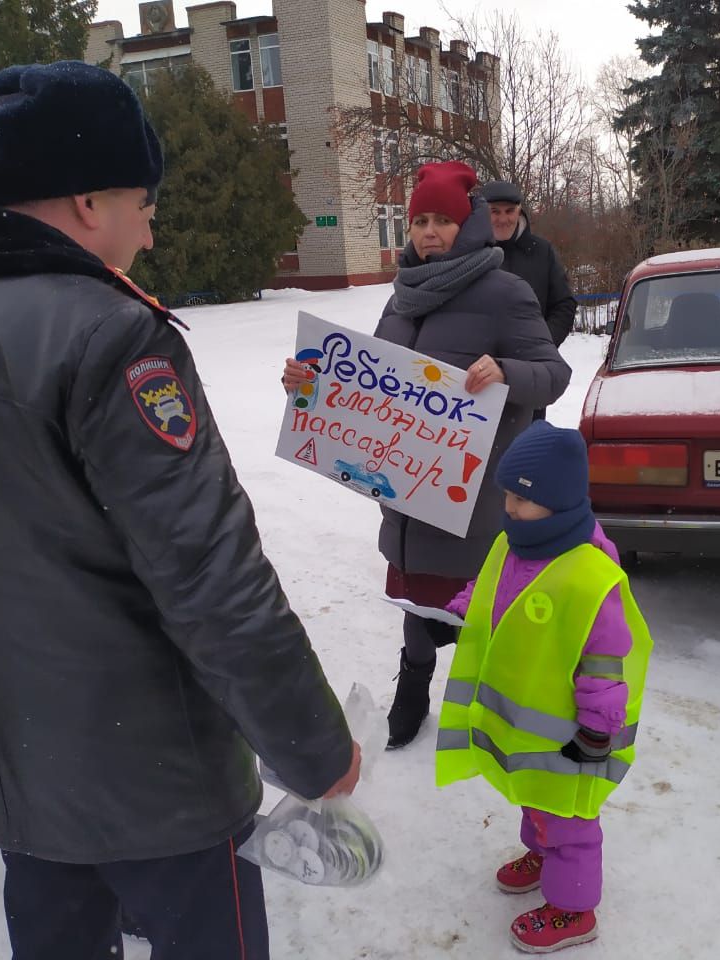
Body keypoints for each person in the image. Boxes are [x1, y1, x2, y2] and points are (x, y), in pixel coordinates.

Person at [0, 61, 360, 960]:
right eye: (145, 204)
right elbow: (209, 575)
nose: (151, 232)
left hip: (21, 779)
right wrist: (313, 745)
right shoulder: (113, 335)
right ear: (89, 202)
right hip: (163, 788)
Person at [282, 162, 571, 749]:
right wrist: (312, 385)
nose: (428, 231)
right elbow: (377, 389)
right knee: (416, 603)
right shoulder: (402, 298)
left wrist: (507, 372)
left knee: (478, 612)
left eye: (442, 219)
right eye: (419, 220)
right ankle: (413, 691)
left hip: (474, 494)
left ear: (466, 225)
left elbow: (554, 373)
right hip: (406, 491)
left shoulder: (505, 291)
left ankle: (493, 708)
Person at [434, 420, 652, 953]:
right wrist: (455, 612)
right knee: (535, 798)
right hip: (529, 730)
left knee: (569, 819)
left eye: (521, 500)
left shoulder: (588, 576)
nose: (509, 509)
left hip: (575, 734)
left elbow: (604, 663)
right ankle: (542, 856)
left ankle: (574, 909)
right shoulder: (515, 546)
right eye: (506, 495)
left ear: (557, 502)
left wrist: (598, 733)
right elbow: (489, 592)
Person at [478, 182, 577, 419]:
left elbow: (564, 304)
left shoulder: (542, 252)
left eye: (509, 211)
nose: (503, 219)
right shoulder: (471, 254)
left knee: (526, 449)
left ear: (519, 210)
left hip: (529, 378)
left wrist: (540, 346)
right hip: (478, 377)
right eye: (495, 212)